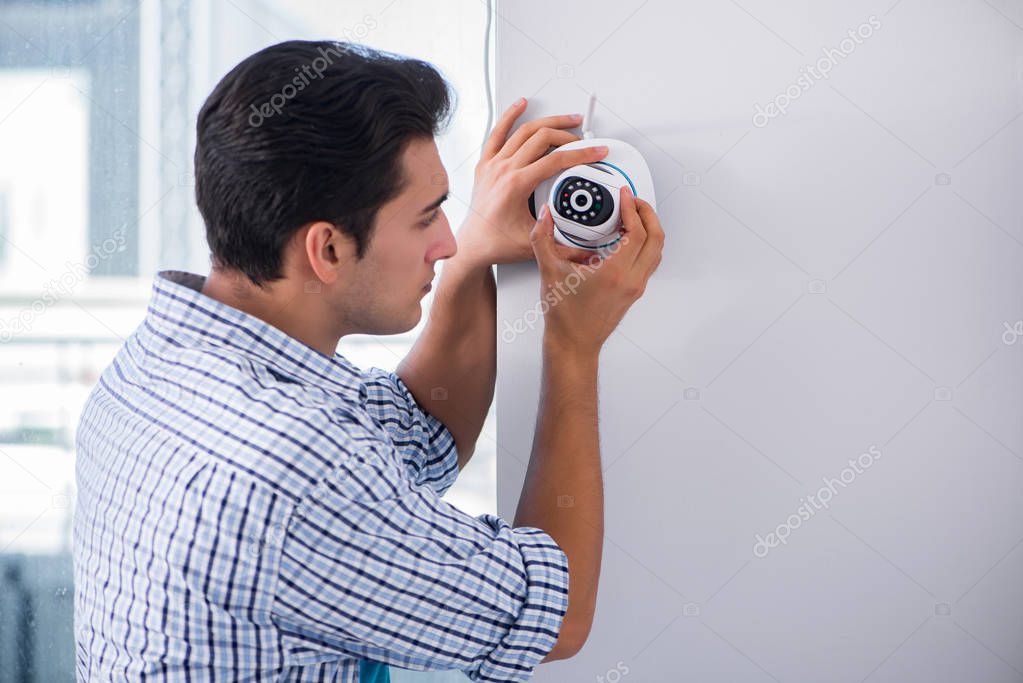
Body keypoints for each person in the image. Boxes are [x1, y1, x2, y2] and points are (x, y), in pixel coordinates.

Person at [72, 39, 663, 682]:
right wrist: (571, 349)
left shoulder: (159, 365)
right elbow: (557, 616)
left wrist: (473, 258)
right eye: (426, 218)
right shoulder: (292, 465)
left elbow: (423, 432)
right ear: (326, 249)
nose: (444, 241)